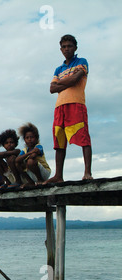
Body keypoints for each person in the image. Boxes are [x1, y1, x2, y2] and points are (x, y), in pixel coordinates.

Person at [46, 34, 92, 184]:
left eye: (69, 46)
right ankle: (58, 175)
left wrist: (62, 83)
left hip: (76, 104)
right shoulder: (58, 68)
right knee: (59, 141)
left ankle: (87, 172)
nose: (67, 49)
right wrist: (68, 82)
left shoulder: (82, 61)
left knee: (83, 137)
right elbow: (52, 88)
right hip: (59, 107)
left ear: (75, 48)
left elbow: (76, 79)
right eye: (64, 47)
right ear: (60, 49)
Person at [15, 123, 51, 188]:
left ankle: (40, 180)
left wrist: (26, 157)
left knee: (30, 161)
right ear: (24, 140)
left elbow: (33, 156)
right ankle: (30, 182)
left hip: (43, 173)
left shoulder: (38, 146)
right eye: (27, 138)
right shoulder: (25, 150)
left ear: (36, 138)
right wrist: (29, 153)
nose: (29, 139)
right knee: (18, 164)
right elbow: (17, 160)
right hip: (32, 173)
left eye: (32, 137)